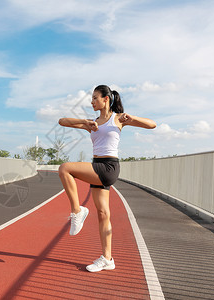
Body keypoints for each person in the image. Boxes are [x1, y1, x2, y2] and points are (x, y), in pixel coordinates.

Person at [58, 84, 156, 272]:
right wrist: (85, 122)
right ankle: (107, 258)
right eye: (91, 99)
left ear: (106, 99)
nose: (92, 102)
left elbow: (152, 124)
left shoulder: (118, 118)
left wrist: (132, 118)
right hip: (96, 165)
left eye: (95, 98)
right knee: (103, 213)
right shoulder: (92, 123)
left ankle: (77, 211)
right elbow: (62, 121)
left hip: (108, 167)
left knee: (65, 169)